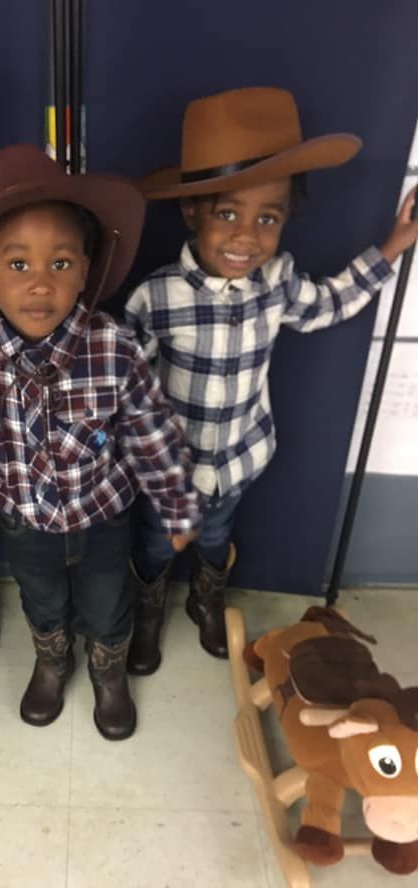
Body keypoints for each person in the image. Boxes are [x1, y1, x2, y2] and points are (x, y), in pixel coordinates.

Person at [0, 144, 203, 740]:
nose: (39, 285)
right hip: (22, 522)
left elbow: (150, 431)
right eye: (17, 265)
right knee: (42, 599)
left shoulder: (113, 346)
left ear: (85, 270)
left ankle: (109, 670)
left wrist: (178, 504)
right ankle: (52, 658)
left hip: (104, 518)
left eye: (60, 264)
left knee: (108, 602)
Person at [125, 86, 418, 667]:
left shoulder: (278, 280)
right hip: (170, 471)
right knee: (157, 544)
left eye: (268, 218)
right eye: (227, 213)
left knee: (214, 539)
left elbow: (329, 304)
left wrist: (392, 246)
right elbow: (125, 389)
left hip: (238, 460)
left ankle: (207, 599)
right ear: (192, 210)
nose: (246, 237)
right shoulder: (157, 295)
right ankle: (147, 609)